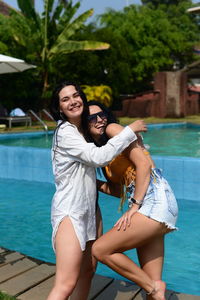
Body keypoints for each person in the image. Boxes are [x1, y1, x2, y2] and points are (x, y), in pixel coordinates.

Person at [46, 81, 147, 300]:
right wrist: (130, 131)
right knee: (66, 283)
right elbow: (97, 157)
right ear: (59, 108)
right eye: (65, 99)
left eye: (76, 95)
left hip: (90, 211)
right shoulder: (65, 132)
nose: (73, 101)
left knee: (88, 271)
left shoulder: (81, 131)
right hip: (70, 213)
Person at [87, 100, 178, 300]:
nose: (100, 120)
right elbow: (121, 189)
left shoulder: (113, 129)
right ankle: (154, 289)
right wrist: (92, 183)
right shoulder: (104, 149)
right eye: (92, 117)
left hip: (152, 200)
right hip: (153, 201)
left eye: (102, 114)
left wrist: (135, 206)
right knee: (153, 286)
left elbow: (144, 164)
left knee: (101, 250)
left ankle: (153, 288)